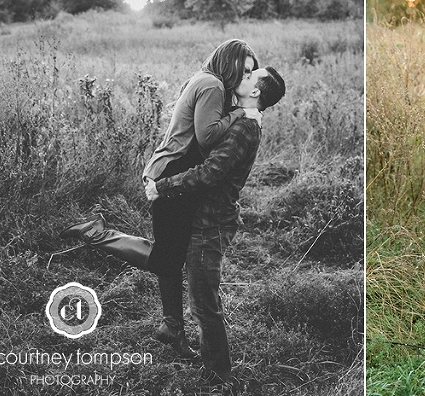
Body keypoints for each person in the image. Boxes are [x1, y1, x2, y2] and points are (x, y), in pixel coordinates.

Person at [60, 39, 260, 358]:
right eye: (244, 69)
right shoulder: (211, 85)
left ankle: (173, 330)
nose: (246, 76)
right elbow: (207, 136)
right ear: (229, 63)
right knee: (167, 258)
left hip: (172, 169)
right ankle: (95, 233)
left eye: (251, 72)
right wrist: (240, 113)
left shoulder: (205, 79)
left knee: (171, 255)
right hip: (172, 171)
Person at [145, 65, 286, 386]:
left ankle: (221, 374)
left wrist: (162, 186)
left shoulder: (244, 129)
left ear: (255, 93)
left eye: (251, 77)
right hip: (208, 216)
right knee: (200, 294)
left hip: (213, 222)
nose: (243, 75)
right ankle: (200, 352)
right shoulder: (242, 118)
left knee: (203, 300)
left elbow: (209, 173)